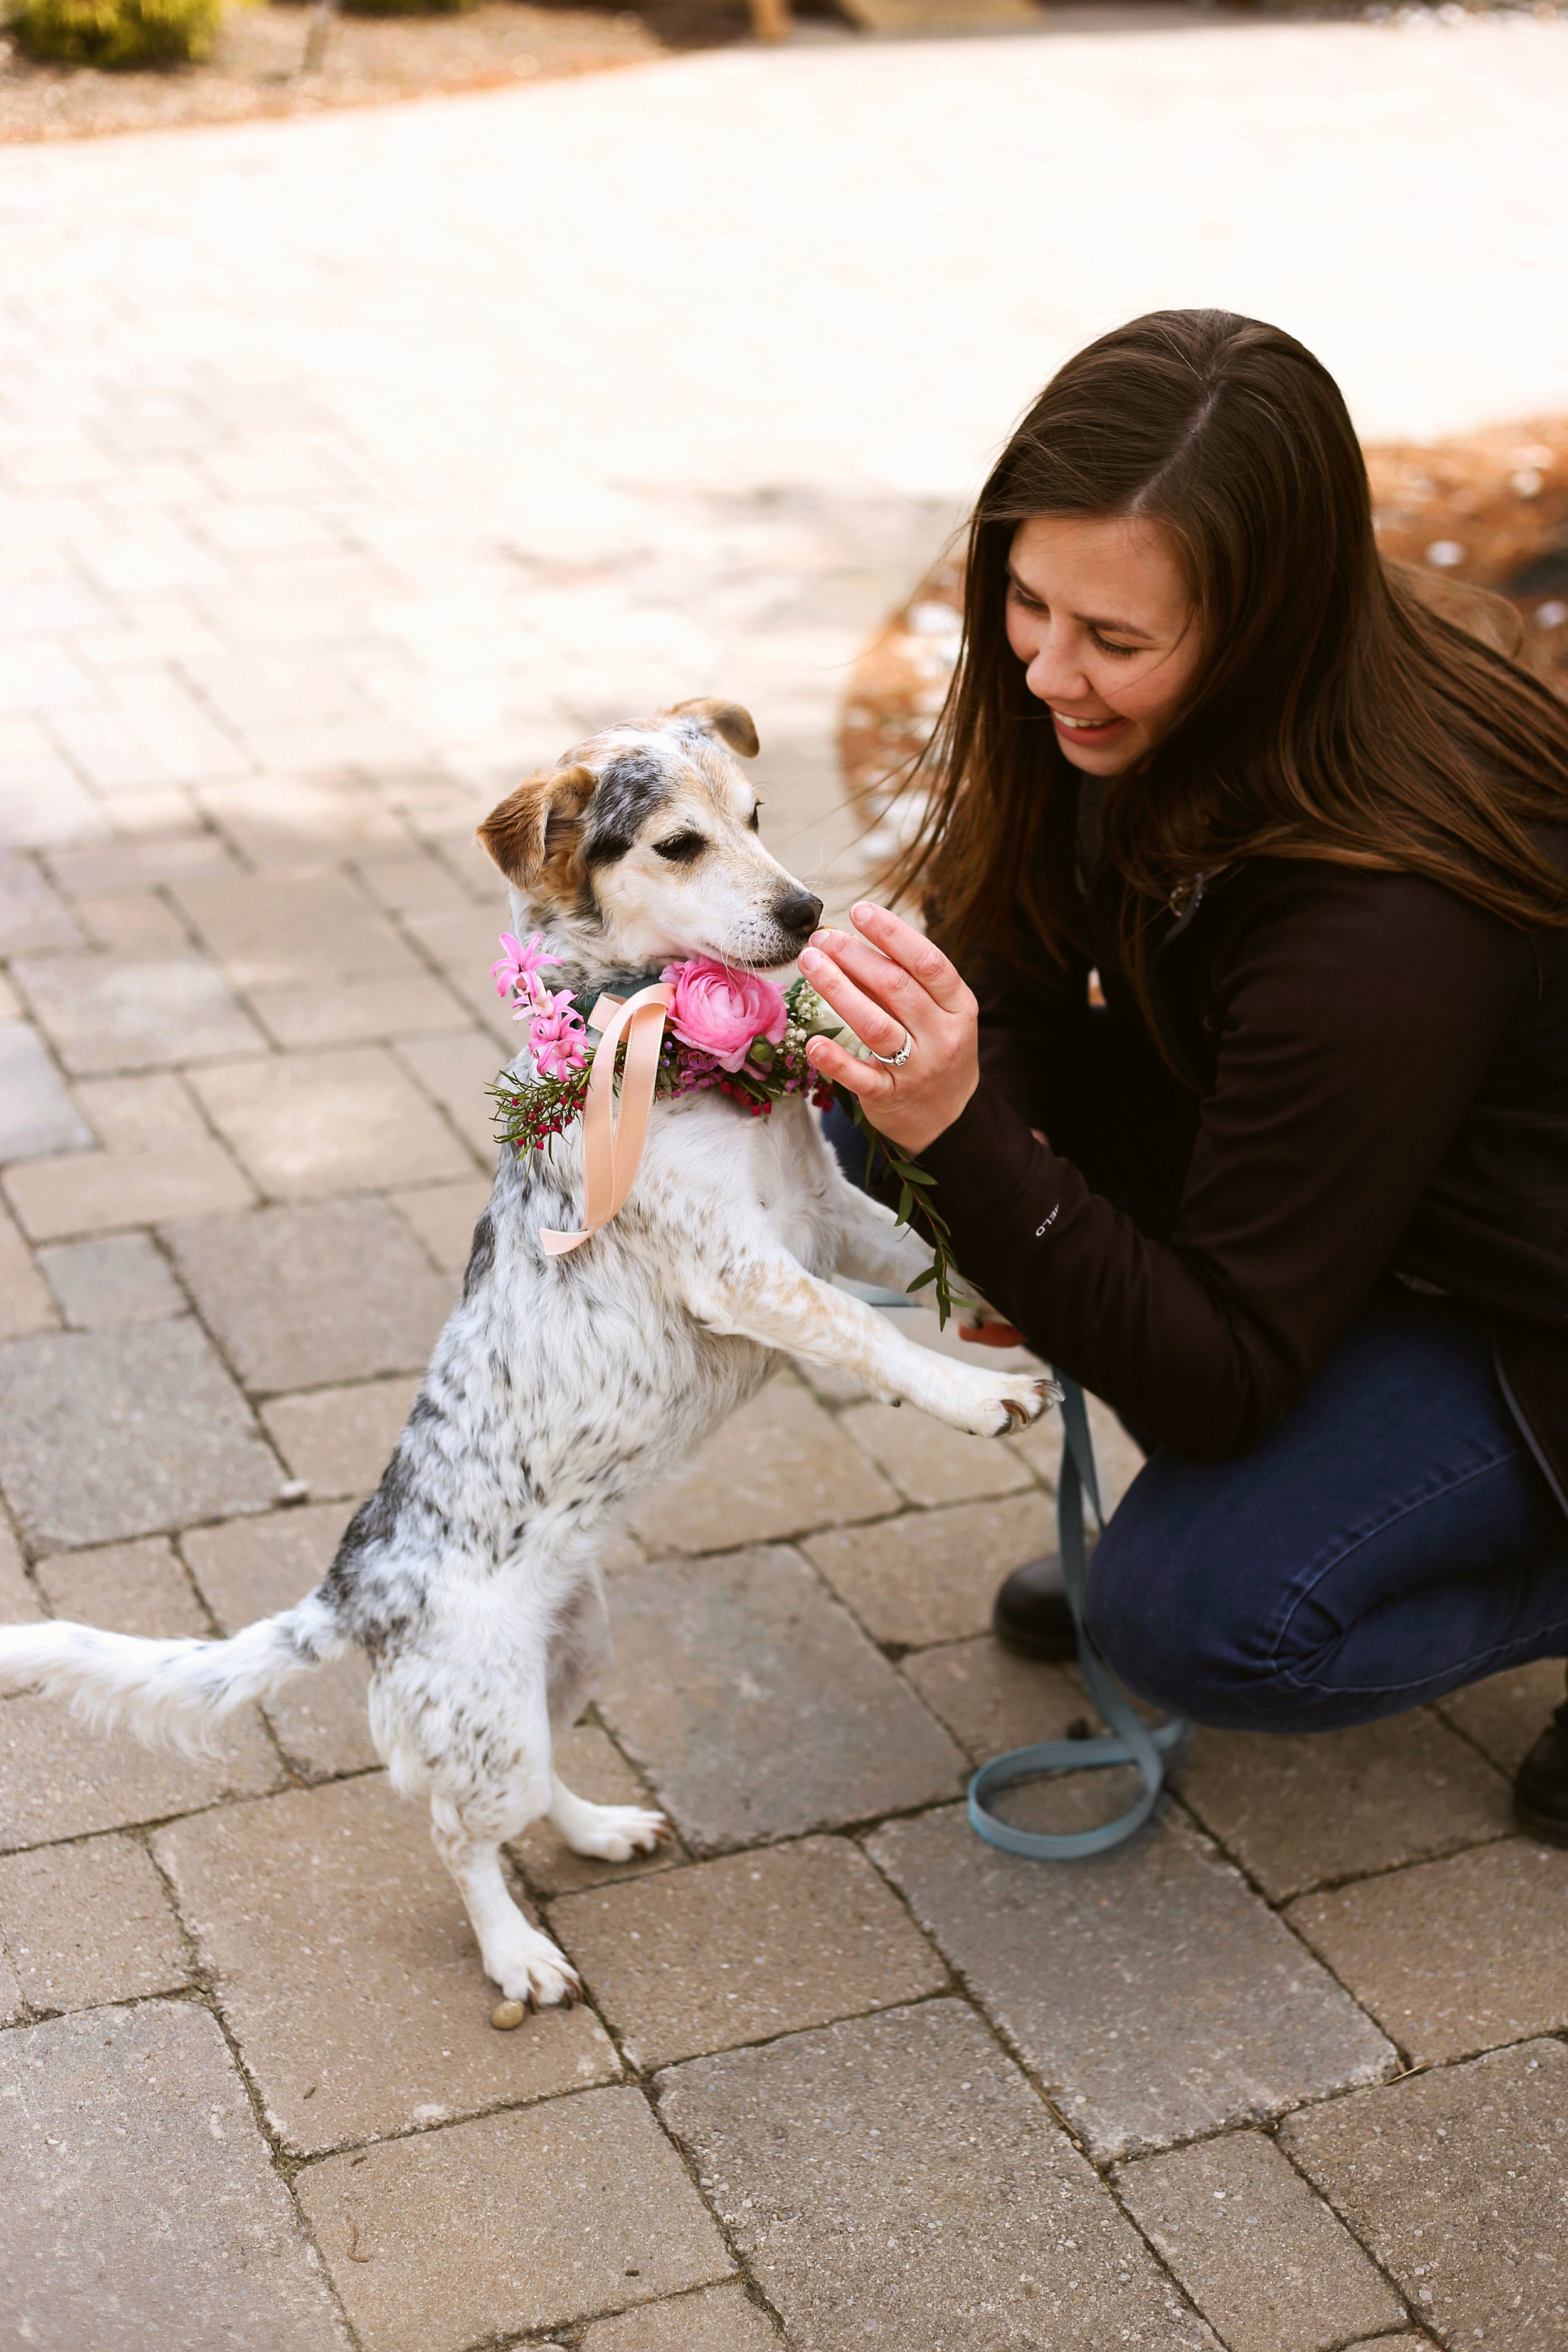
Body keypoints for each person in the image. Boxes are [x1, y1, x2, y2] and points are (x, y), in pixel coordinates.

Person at [799, 309, 1568, 1843]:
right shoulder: (1127, 698)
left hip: (1527, 1300)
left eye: (1115, 643)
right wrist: (964, 1128)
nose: (1045, 671)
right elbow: (1002, 950)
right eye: (1025, 601)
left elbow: (1214, 1377)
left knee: (1204, 1617)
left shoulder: (1381, 914)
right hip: (1379, 1187)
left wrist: (978, 1143)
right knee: (882, 1096)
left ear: (1265, 624)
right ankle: (1311, 1471)